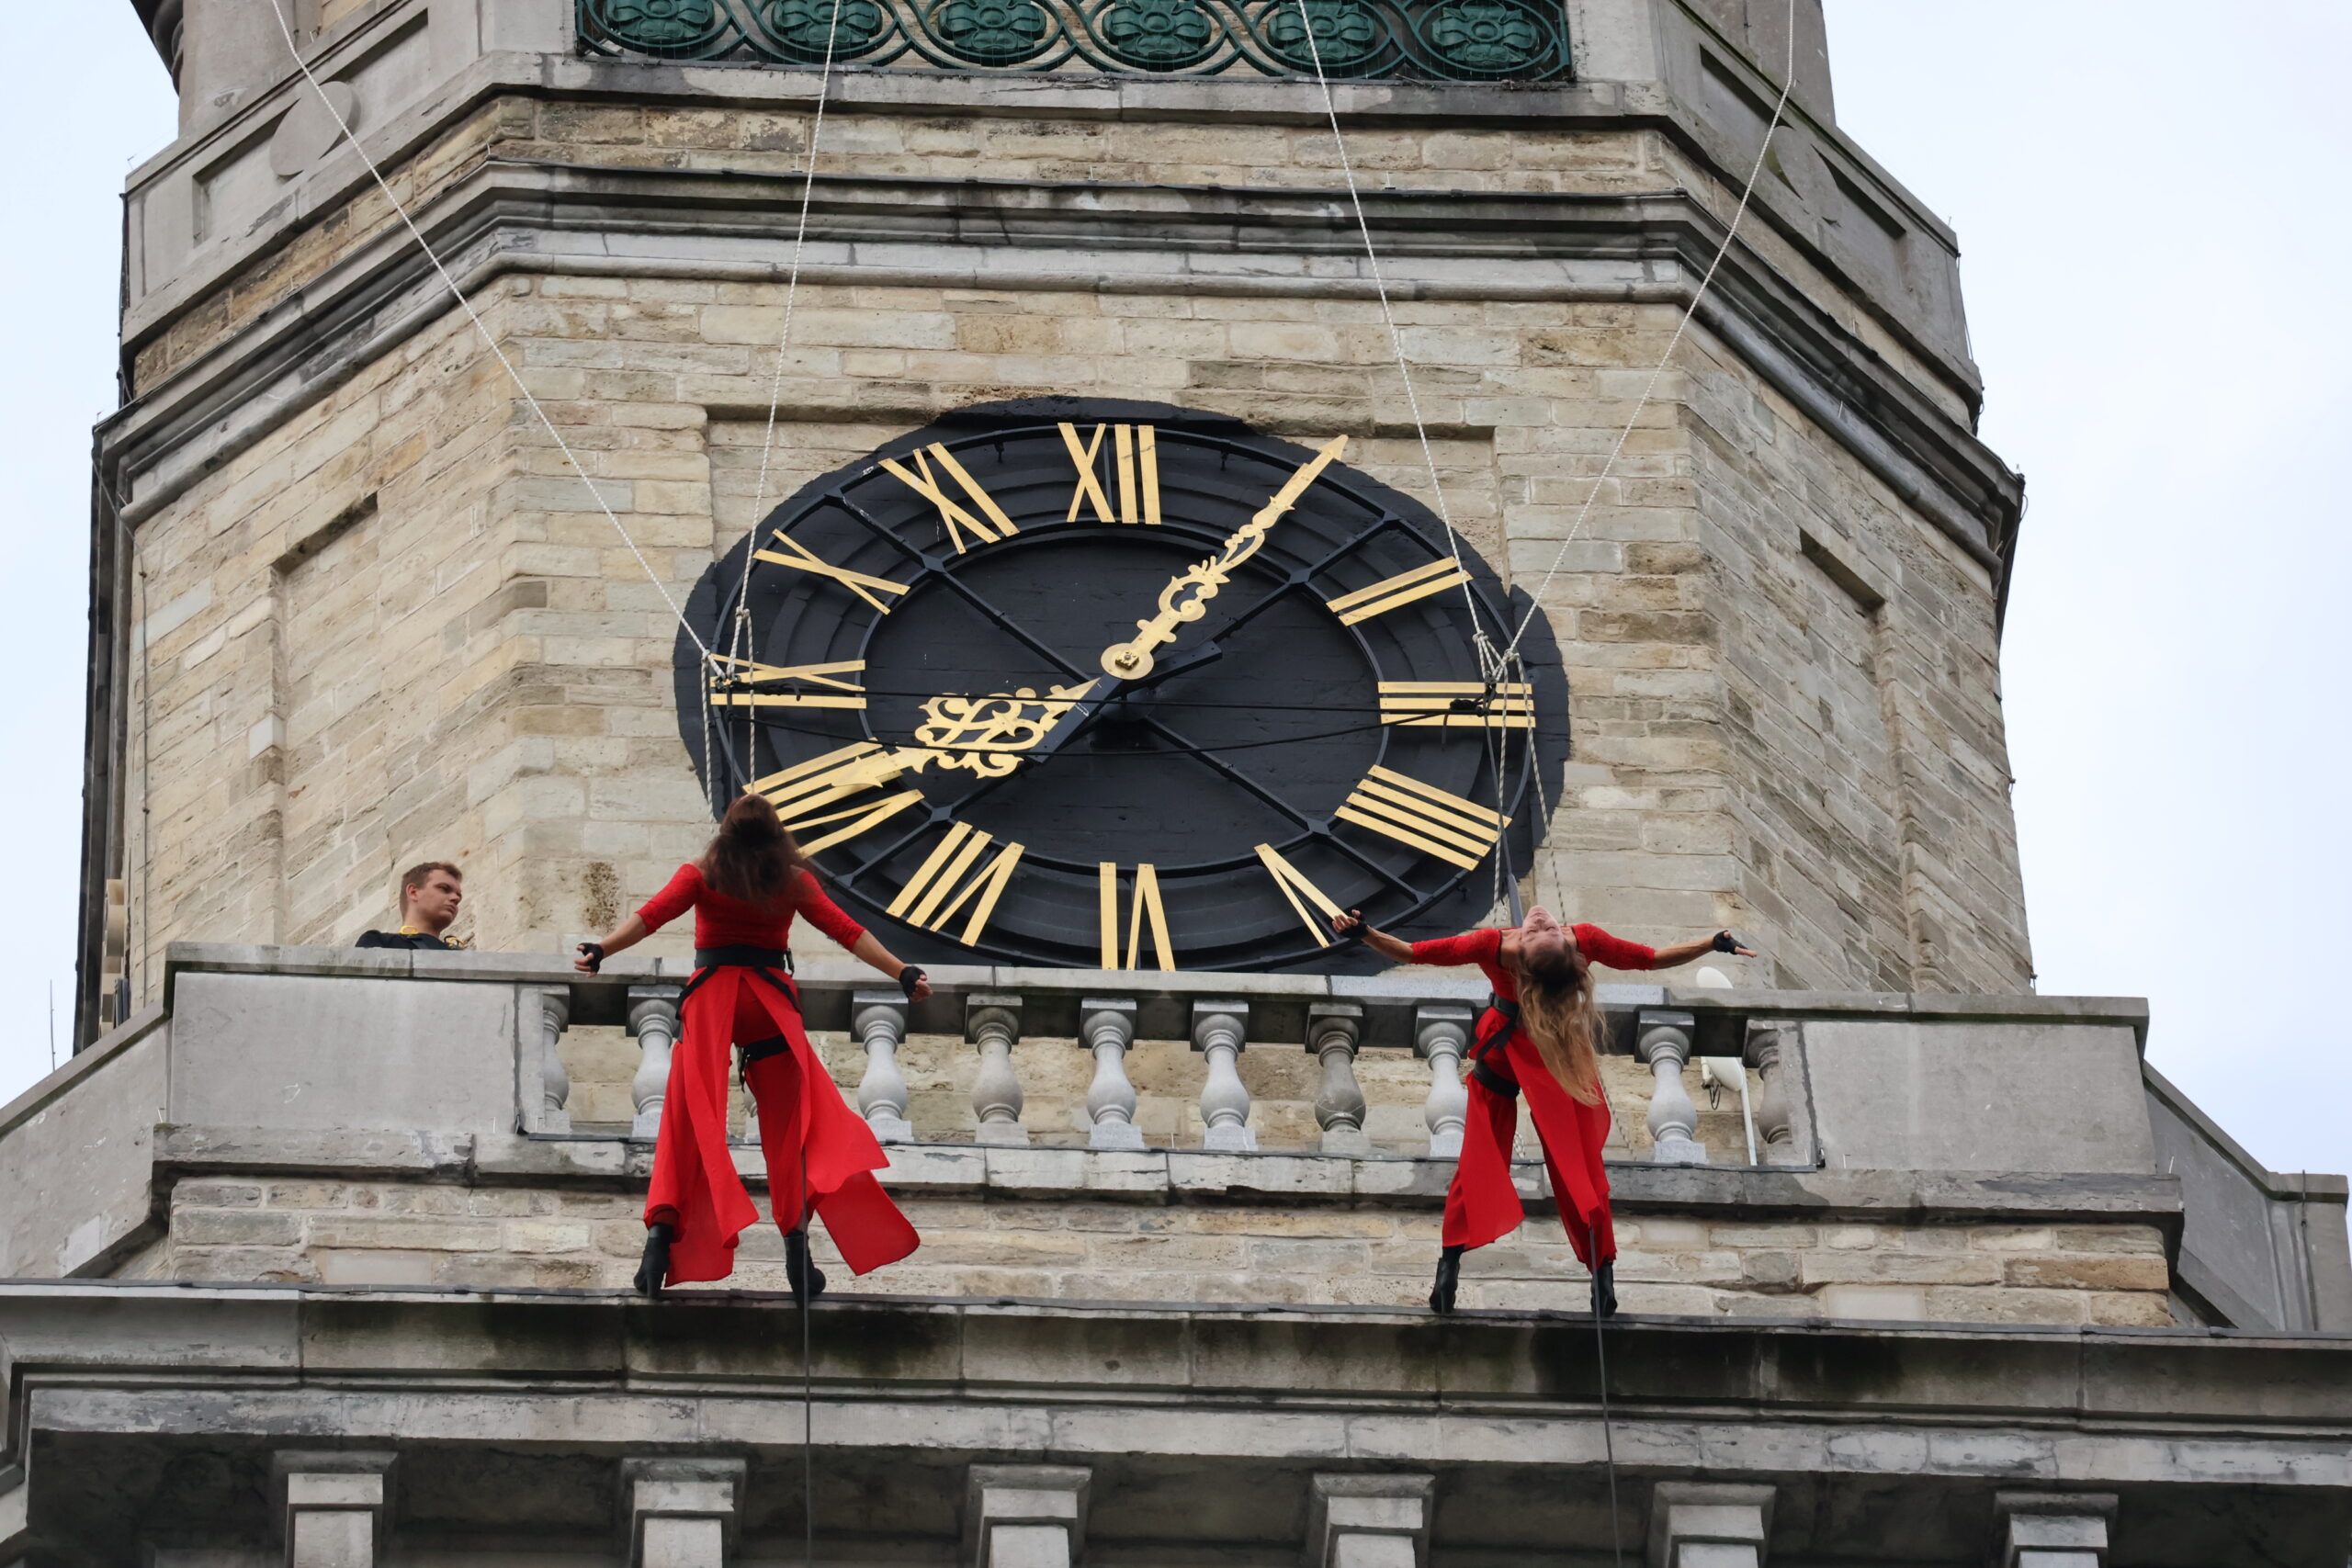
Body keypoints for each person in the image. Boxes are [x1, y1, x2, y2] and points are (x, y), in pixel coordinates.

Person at [575, 794, 929, 1302]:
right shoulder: (791, 879)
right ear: (775, 834)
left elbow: (650, 917)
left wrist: (601, 949)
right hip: (767, 1002)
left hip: (713, 997)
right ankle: (796, 1246)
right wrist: (904, 972)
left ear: (726, 831)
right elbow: (847, 931)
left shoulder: (701, 872)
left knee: (688, 1116)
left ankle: (659, 1241)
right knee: (793, 1126)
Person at [1332, 905, 1756, 1318]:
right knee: (1577, 1163)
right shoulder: (1582, 939)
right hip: (1555, 1053)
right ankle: (1599, 1269)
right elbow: (1649, 959)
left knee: (1488, 1159)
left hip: (1512, 1052)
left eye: (1541, 932)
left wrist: (1365, 935)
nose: (1537, 922)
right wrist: (1711, 943)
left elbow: (1413, 953)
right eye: (1540, 931)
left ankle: (1453, 1262)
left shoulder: (1493, 944)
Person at [356, 862, 467, 950]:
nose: (456, 899)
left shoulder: (460, 956)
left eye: (459, 896)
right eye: (444, 888)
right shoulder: (380, 942)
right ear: (413, 892)